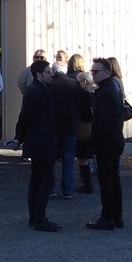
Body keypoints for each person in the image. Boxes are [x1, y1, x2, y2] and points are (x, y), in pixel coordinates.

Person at [14, 60, 61, 231]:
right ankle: (39, 218)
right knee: (46, 180)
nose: (51, 74)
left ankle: (35, 217)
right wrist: (19, 137)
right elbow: (25, 115)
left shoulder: (40, 89)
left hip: (40, 140)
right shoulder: (36, 91)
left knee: (37, 179)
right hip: (41, 141)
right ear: (39, 74)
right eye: (48, 71)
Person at [87, 56, 126, 229]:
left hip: (107, 142)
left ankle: (107, 217)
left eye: (96, 71)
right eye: (92, 71)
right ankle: (116, 217)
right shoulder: (109, 89)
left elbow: (104, 122)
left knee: (106, 180)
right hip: (112, 141)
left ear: (107, 73)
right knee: (112, 179)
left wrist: (94, 141)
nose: (93, 74)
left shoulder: (107, 92)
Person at [48, 60, 82, 198]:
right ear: (65, 70)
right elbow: (83, 103)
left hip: (53, 125)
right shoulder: (74, 84)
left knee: (50, 159)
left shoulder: (49, 84)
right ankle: (67, 190)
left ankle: (51, 189)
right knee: (68, 159)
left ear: (53, 70)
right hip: (70, 125)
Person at [68, 54, 95, 194]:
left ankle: (87, 184)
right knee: (84, 157)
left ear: (84, 82)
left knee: (82, 157)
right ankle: (87, 182)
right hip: (90, 127)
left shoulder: (84, 95)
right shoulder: (94, 93)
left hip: (84, 127)